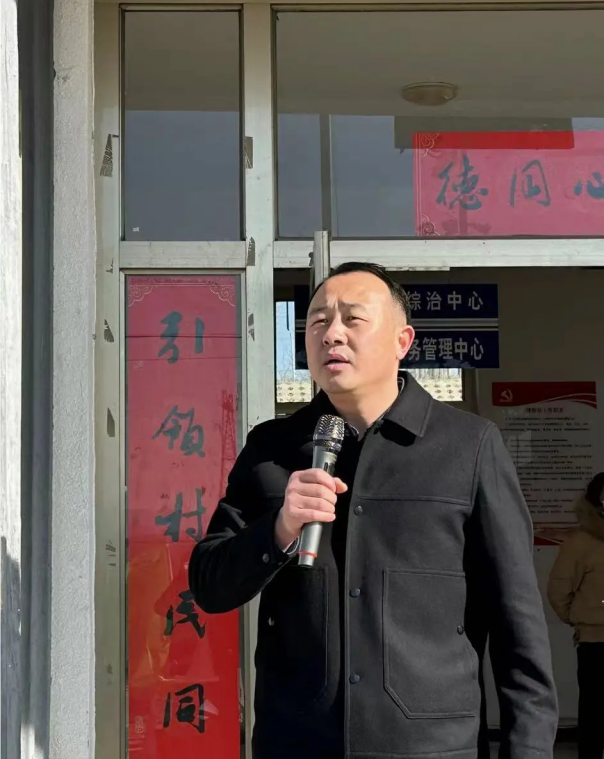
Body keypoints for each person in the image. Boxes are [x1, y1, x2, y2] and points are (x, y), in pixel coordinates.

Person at [189, 262, 558, 759]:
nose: (331, 334)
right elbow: (209, 585)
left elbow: (517, 623)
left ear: (403, 341)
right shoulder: (271, 449)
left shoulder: (468, 446)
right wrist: (278, 529)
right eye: (318, 321)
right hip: (297, 744)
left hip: (430, 747)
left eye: (353, 318)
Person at [547, 473, 604, 759]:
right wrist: (579, 618)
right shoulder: (582, 541)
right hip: (596, 640)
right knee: (594, 712)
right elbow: (558, 589)